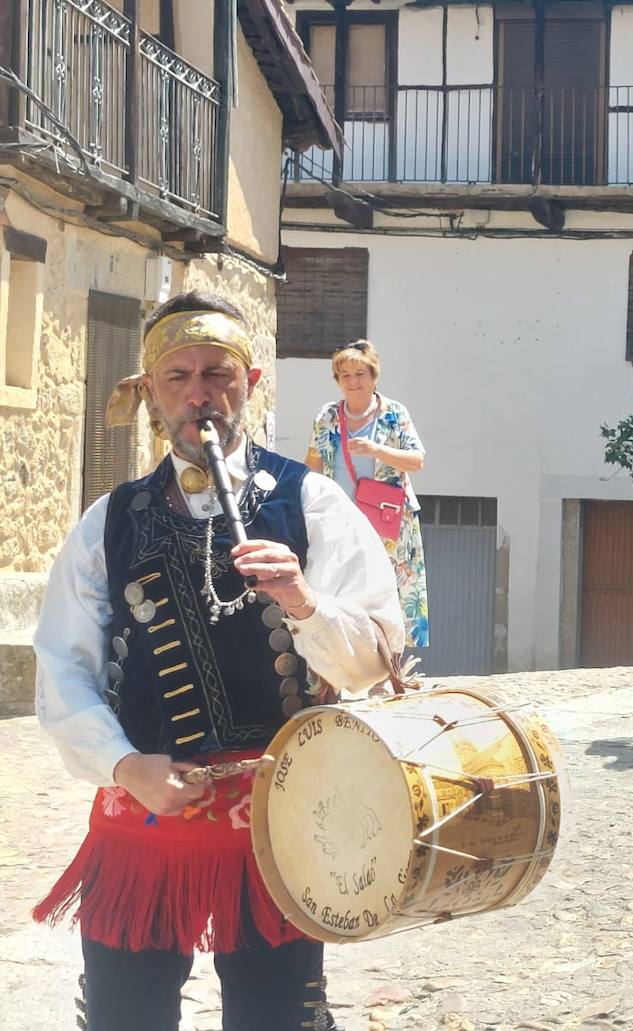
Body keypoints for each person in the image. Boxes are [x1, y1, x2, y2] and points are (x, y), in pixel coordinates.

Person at [31, 291, 405, 1030]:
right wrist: (121, 763)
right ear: (151, 392)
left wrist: (304, 601)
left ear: (252, 382)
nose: (198, 392)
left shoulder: (316, 503)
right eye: (178, 376)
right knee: (123, 1017)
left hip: (281, 817)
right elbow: (63, 666)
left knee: (276, 1018)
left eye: (216, 373)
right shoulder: (108, 521)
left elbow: (378, 657)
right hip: (142, 807)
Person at [305, 340, 428, 649]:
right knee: (343, 593)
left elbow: (417, 460)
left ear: (374, 377)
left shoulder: (394, 414)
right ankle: (348, 665)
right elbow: (312, 467)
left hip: (388, 522)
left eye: (360, 373)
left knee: (390, 594)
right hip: (341, 522)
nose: (353, 382)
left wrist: (376, 450)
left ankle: (390, 669)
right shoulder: (327, 417)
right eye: (344, 375)